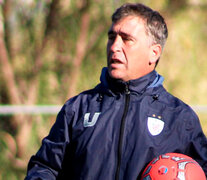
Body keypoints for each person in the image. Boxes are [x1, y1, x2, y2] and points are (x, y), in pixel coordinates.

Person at [25, 3, 207, 180]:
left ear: (154, 53)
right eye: (112, 37)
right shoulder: (77, 109)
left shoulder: (180, 118)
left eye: (126, 39)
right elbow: (45, 167)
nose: (114, 47)